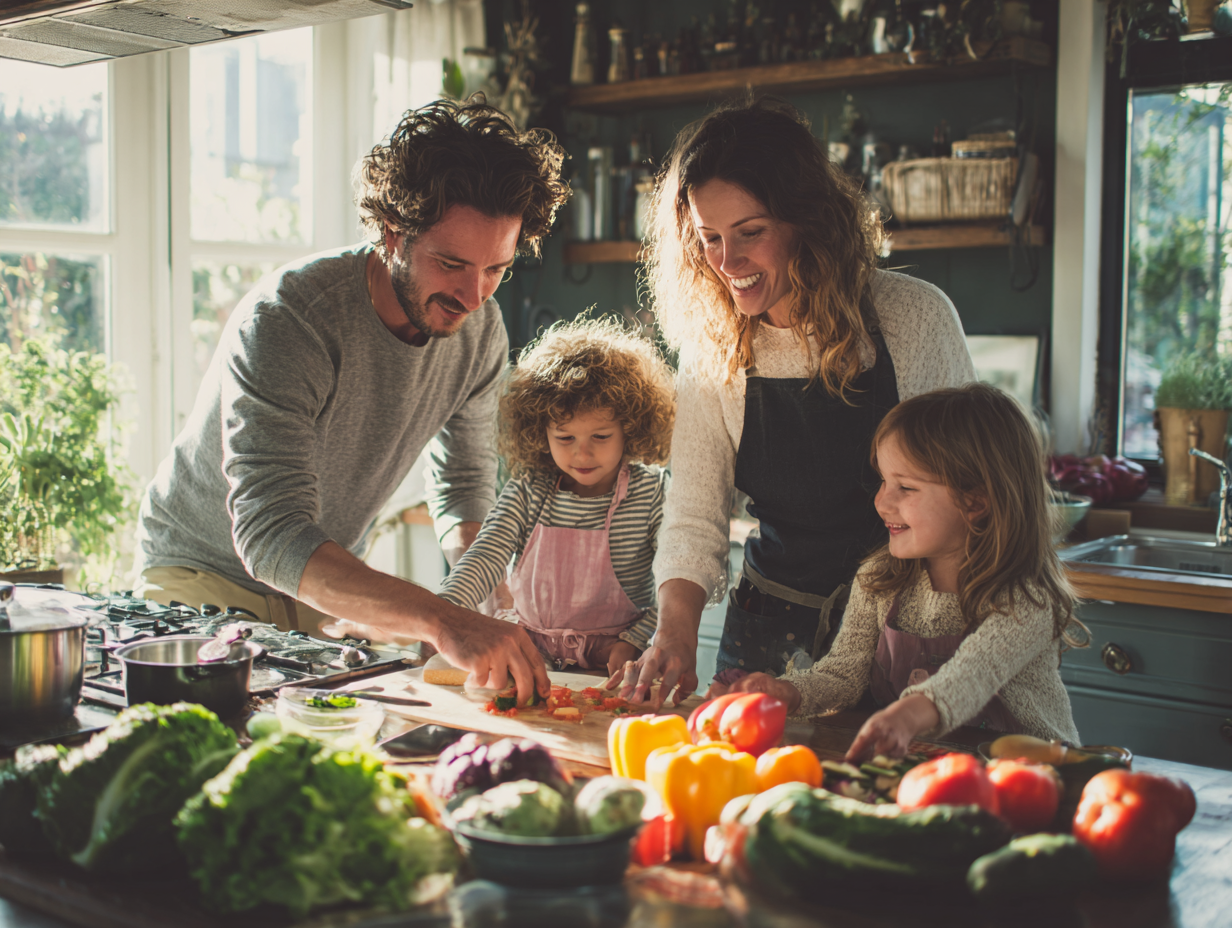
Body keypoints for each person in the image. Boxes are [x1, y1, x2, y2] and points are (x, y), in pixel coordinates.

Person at [132, 99, 570, 703]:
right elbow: (271, 534)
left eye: (497, 268)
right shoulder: (291, 318)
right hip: (202, 574)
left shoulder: (480, 330)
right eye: (451, 263)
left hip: (321, 590)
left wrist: (482, 598)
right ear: (392, 231)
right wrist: (442, 620)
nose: (473, 295)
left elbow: (463, 483)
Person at [611, 98, 975, 708]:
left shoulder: (913, 318)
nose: (728, 262)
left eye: (751, 232)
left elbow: (971, 492)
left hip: (901, 636)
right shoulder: (715, 348)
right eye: (709, 238)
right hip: (766, 635)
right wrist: (673, 633)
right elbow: (694, 513)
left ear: (809, 220)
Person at [713, 384, 1087, 760]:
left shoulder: (1027, 598)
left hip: (1036, 771)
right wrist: (791, 693)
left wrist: (907, 715)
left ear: (975, 502)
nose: (881, 501)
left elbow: (973, 675)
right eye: (883, 481)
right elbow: (842, 675)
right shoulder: (879, 580)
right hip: (931, 767)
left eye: (905, 487)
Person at [436, 317, 675, 678]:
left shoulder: (651, 492)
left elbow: (675, 586)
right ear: (540, 432)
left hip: (617, 664)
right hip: (531, 660)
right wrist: (442, 612)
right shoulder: (527, 489)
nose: (582, 453)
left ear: (630, 428)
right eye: (565, 438)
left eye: (600, 437)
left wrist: (636, 640)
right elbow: (484, 556)